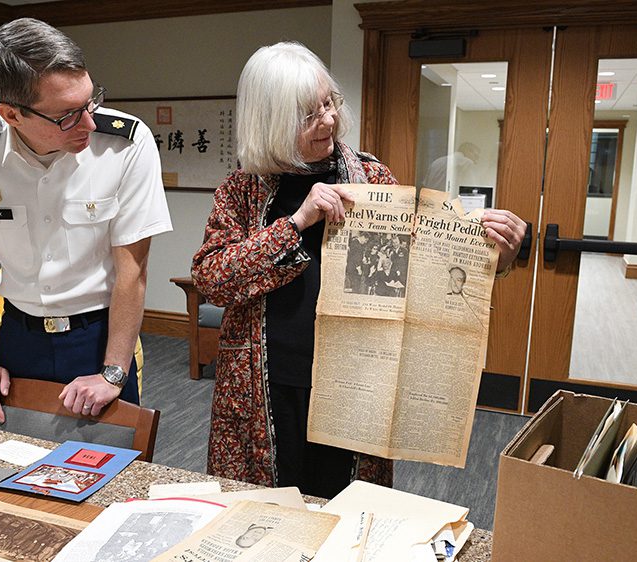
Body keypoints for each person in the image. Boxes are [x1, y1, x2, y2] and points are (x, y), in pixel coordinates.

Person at [191, 42, 525, 498]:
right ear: (270, 120)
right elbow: (212, 279)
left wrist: (494, 258)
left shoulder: (370, 177)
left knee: (346, 511)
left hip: (356, 380)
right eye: (309, 114)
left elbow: (417, 275)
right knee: (266, 511)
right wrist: (295, 224)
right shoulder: (242, 190)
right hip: (263, 384)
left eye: (329, 103)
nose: (328, 120)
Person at [0, 18, 171, 428]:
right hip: (19, 335)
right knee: (12, 466)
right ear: (11, 114)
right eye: (68, 115)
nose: (89, 122)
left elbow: (133, 270)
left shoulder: (125, 143)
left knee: (110, 471)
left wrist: (113, 371)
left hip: (100, 334)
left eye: (91, 102)